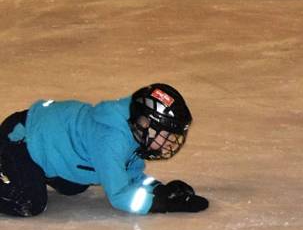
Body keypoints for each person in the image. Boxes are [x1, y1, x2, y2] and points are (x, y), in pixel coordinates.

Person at [0, 83, 209, 217]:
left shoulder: (132, 130)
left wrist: (159, 189)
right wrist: (161, 204)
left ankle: (39, 171)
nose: (170, 143)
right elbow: (119, 196)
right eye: (166, 135)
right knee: (29, 202)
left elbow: (130, 172)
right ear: (145, 124)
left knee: (74, 186)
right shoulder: (110, 140)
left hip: (48, 144)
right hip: (21, 141)